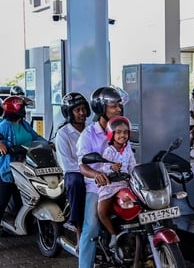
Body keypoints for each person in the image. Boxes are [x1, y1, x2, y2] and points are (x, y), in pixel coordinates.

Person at [0, 95, 47, 253]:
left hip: (27, 167)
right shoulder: (5, 125)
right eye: (23, 107)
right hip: (9, 169)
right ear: (16, 109)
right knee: (2, 200)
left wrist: (48, 143)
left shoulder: (24, 124)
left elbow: (36, 137)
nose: (25, 109)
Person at [76, 86, 128, 268]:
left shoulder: (122, 128)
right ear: (101, 108)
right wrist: (97, 174)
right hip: (97, 187)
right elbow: (82, 165)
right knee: (91, 228)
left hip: (122, 184)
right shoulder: (88, 135)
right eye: (113, 106)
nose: (118, 109)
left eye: (118, 106)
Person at [55, 92, 91, 243]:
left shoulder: (92, 129)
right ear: (69, 113)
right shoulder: (63, 133)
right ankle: (79, 227)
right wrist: (88, 171)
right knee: (76, 183)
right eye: (77, 110)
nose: (82, 113)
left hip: (95, 171)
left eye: (83, 109)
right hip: (74, 172)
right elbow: (67, 163)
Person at [97, 116, 136, 252]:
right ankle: (113, 234)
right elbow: (104, 167)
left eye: (125, 132)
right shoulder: (109, 151)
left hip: (125, 184)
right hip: (110, 185)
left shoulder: (128, 149)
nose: (122, 135)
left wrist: (135, 173)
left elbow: (132, 165)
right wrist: (111, 168)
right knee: (102, 212)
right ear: (111, 134)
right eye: (118, 132)